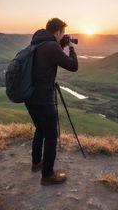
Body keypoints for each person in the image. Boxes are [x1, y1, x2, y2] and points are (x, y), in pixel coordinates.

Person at [24, 17, 78, 185]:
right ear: (57, 32)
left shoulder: (37, 42)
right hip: (43, 99)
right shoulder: (51, 46)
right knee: (51, 135)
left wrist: (60, 44)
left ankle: (36, 163)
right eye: (63, 33)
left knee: (40, 129)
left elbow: (49, 58)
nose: (64, 36)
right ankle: (47, 175)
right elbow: (72, 66)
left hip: (30, 96)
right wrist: (71, 48)